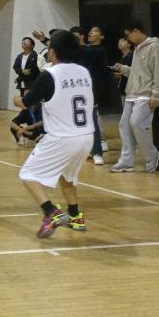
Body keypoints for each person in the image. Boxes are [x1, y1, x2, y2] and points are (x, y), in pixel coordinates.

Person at [15, 29, 95, 238]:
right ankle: (76, 216)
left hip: (62, 137)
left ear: (52, 51)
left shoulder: (50, 74)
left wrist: (16, 100)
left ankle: (51, 211)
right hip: (86, 136)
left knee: (28, 175)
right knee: (67, 177)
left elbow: (26, 102)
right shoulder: (83, 72)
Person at [110, 20, 159, 173]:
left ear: (136, 31)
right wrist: (124, 69)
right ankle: (126, 161)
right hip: (132, 93)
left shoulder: (155, 46)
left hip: (146, 93)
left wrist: (156, 94)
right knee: (125, 125)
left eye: (128, 35)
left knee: (136, 123)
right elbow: (138, 72)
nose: (128, 39)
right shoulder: (137, 48)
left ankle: (152, 156)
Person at [80, 25, 113, 164]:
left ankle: (97, 152)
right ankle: (88, 149)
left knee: (93, 120)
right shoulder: (84, 49)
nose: (90, 33)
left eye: (94, 31)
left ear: (102, 36)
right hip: (80, 89)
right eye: (90, 31)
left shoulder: (100, 50)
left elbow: (87, 53)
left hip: (94, 90)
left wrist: (79, 43)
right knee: (82, 122)